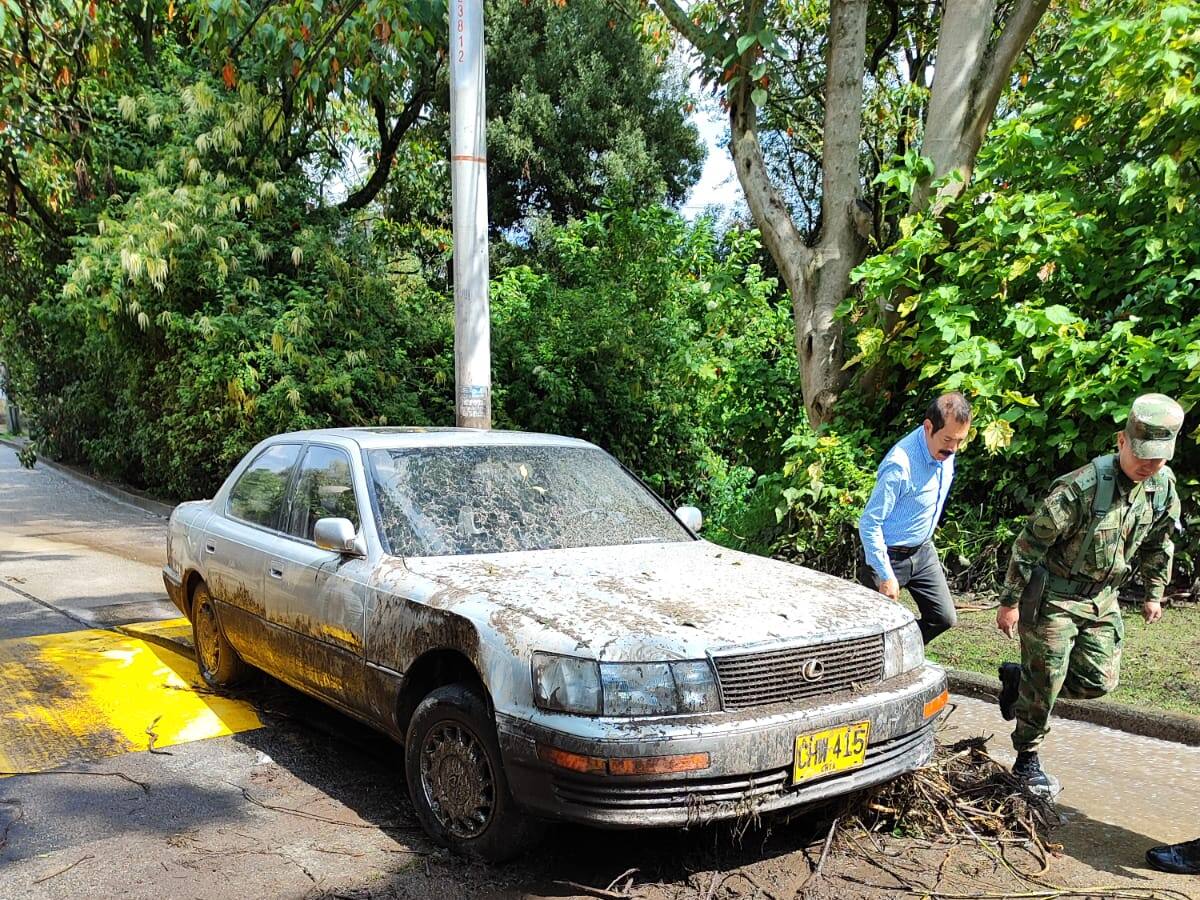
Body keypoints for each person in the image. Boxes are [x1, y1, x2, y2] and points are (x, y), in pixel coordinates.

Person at [994, 393, 1184, 797]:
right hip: (1055, 601)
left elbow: (1159, 543)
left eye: (1159, 458)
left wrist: (1154, 593)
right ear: (1121, 441)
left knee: (1099, 681)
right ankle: (1026, 760)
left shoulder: (1161, 488)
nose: (1149, 466)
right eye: (1142, 455)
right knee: (1045, 685)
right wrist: (1009, 603)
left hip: (1102, 599)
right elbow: (1029, 544)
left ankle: (1020, 679)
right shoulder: (1081, 488)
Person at [858, 393, 972, 644]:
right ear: (928, 427)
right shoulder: (899, 465)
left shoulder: (946, 451)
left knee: (943, 618)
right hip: (887, 556)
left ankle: (902, 653)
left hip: (922, 552)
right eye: (948, 439)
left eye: (960, 440)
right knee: (873, 634)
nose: (953, 448)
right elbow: (869, 523)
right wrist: (885, 573)